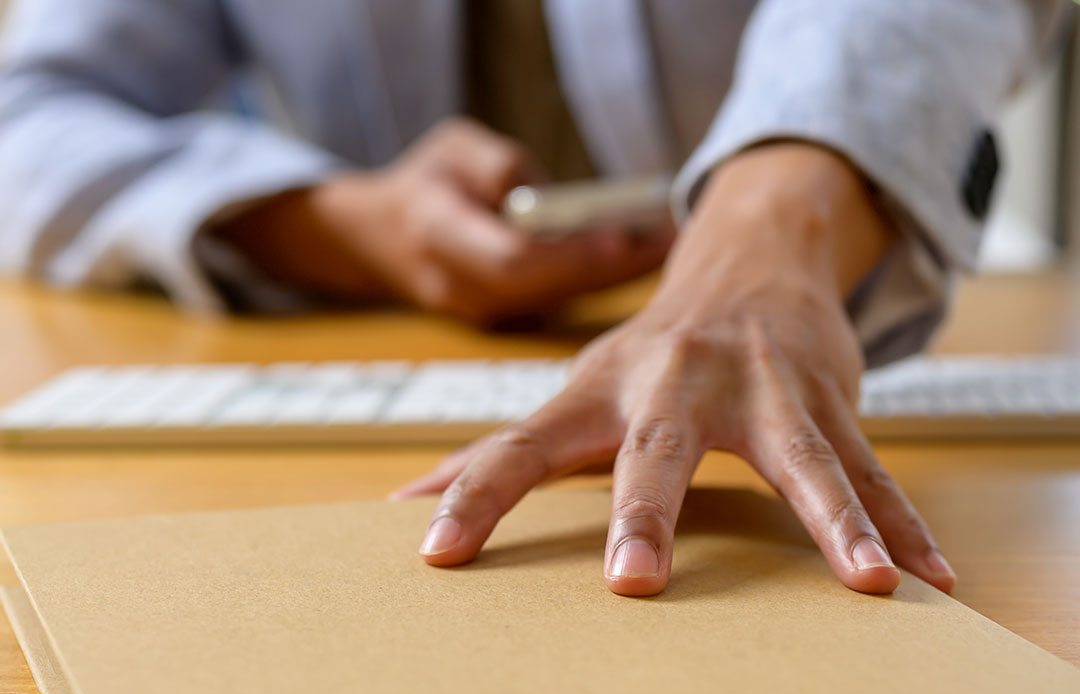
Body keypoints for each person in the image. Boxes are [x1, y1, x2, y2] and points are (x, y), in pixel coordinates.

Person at [0, 1, 1065, 597]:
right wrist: (338, 225)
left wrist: (775, 222)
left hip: (800, 313)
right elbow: (32, 113)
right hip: (389, 354)